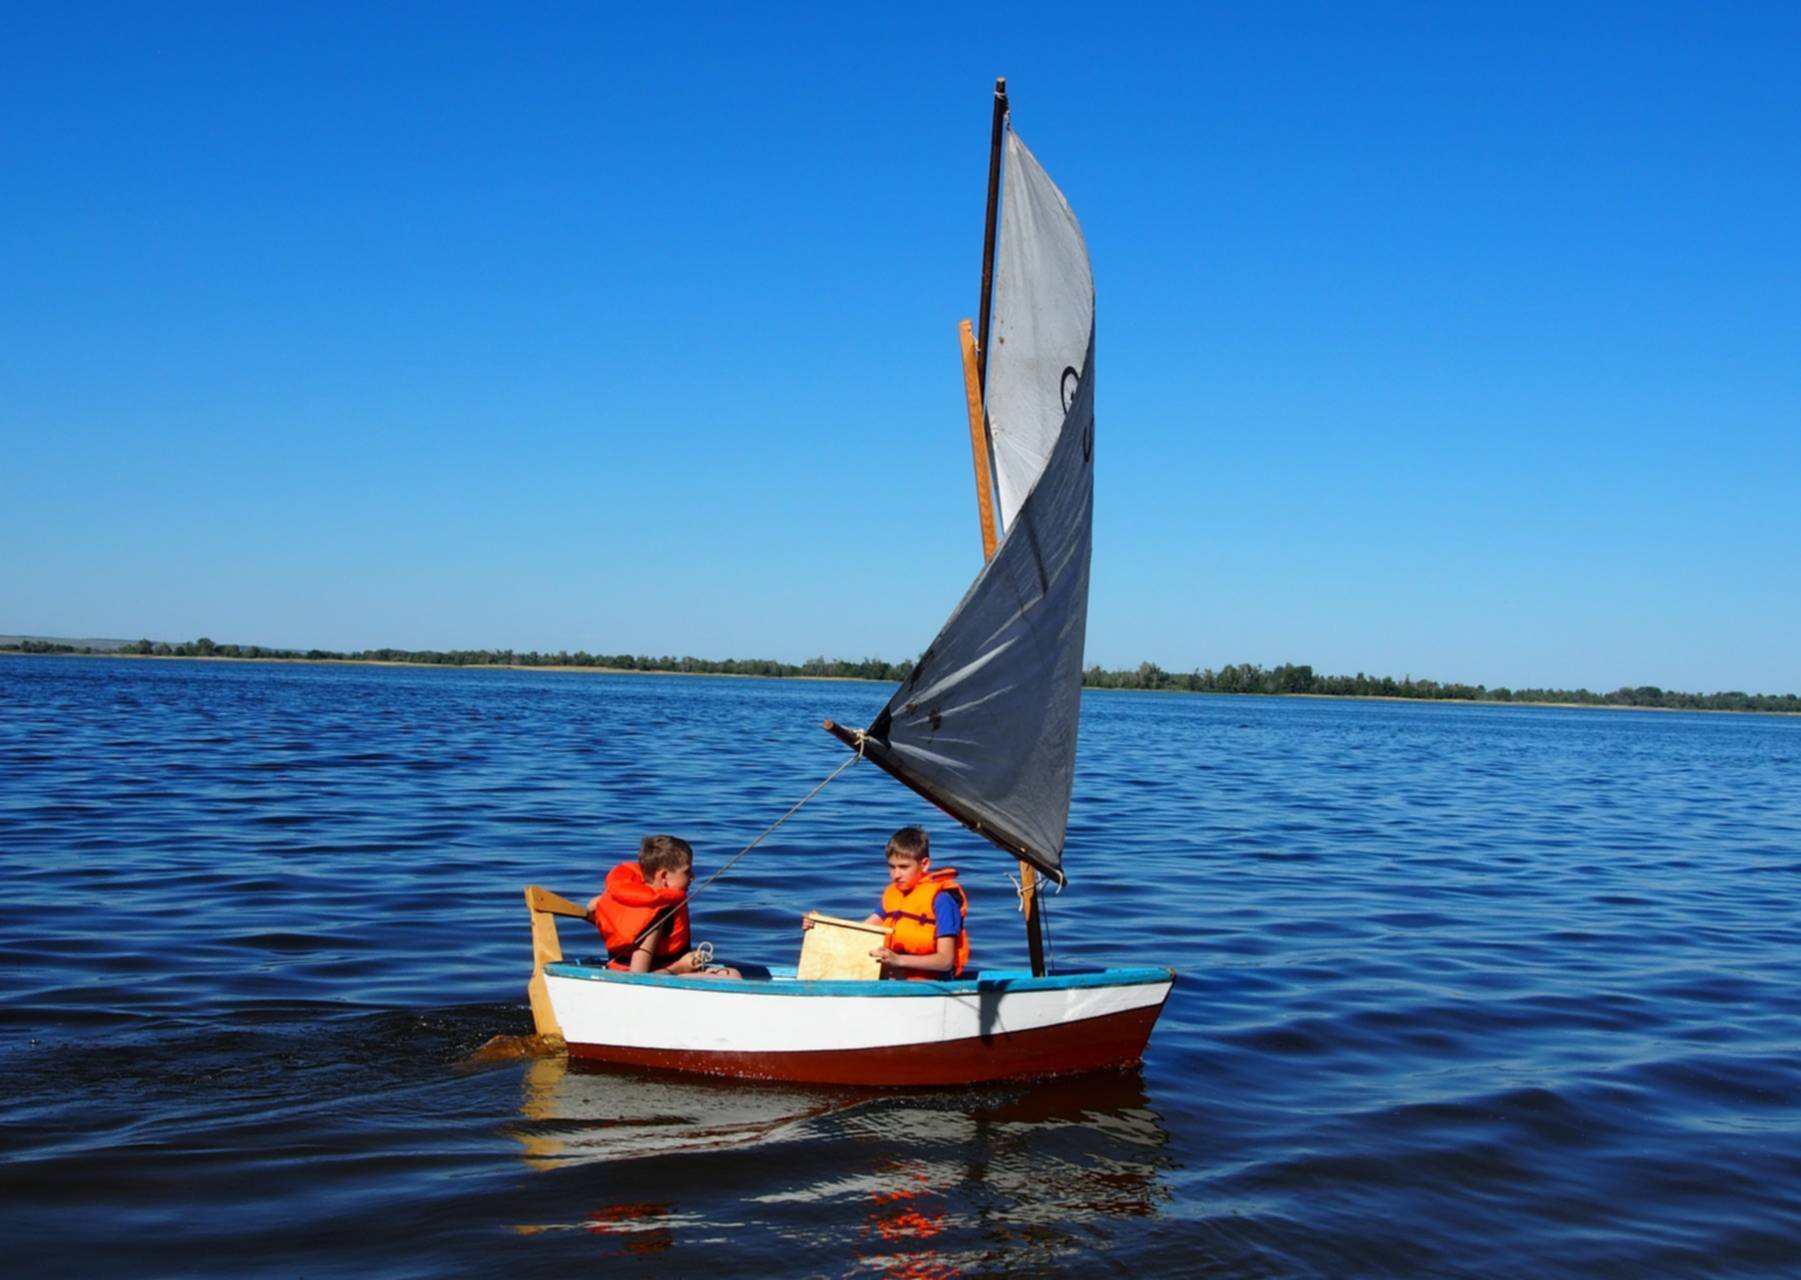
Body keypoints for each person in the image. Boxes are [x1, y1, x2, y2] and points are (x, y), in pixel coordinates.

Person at [586, 835, 738, 978]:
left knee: (730, 973)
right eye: (686, 872)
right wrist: (680, 967)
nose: (692, 877)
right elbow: (637, 976)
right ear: (664, 876)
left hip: (650, 969)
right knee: (733, 977)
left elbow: (592, 906)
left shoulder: (614, 899)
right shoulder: (658, 914)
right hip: (651, 977)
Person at [864, 826, 969, 979]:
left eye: (903, 867)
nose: (896, 875)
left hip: (932, 983)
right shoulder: (892, 896)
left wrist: (899, 960)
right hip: (895, 978)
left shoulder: (942, 901)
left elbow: (945, 960)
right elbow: (860, 931)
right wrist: (821, 928)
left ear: (924, 864)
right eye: (892, 867)